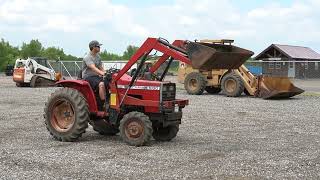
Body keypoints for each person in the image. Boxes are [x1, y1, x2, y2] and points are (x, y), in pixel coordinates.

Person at [82, 40, 106, 107]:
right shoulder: (87, 57)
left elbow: (101, 67)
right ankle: (104, 104)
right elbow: (93, 68)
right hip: (88, 77)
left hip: (96, 76)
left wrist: (106, 73)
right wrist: (102, 73)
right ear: (93, 47)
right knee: (101, 84)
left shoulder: (98, 57)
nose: (99, 47)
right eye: (98, 46)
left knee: (109, 82)